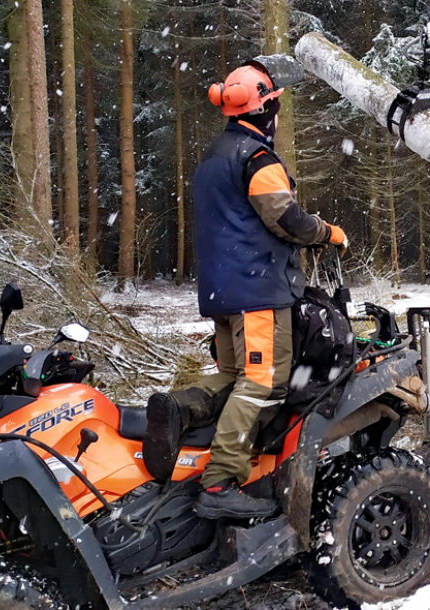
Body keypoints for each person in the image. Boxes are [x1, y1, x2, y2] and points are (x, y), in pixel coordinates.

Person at [144, 56, 348, 520]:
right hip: (257, 292)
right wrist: (329, 233)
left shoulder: (212, 159)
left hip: (221, 292)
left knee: (235, 376)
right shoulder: (257, 159)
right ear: (265, 110)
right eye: (275, 104)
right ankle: (219, 483)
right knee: (264, 383)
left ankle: (179, 410)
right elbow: (287, 220)